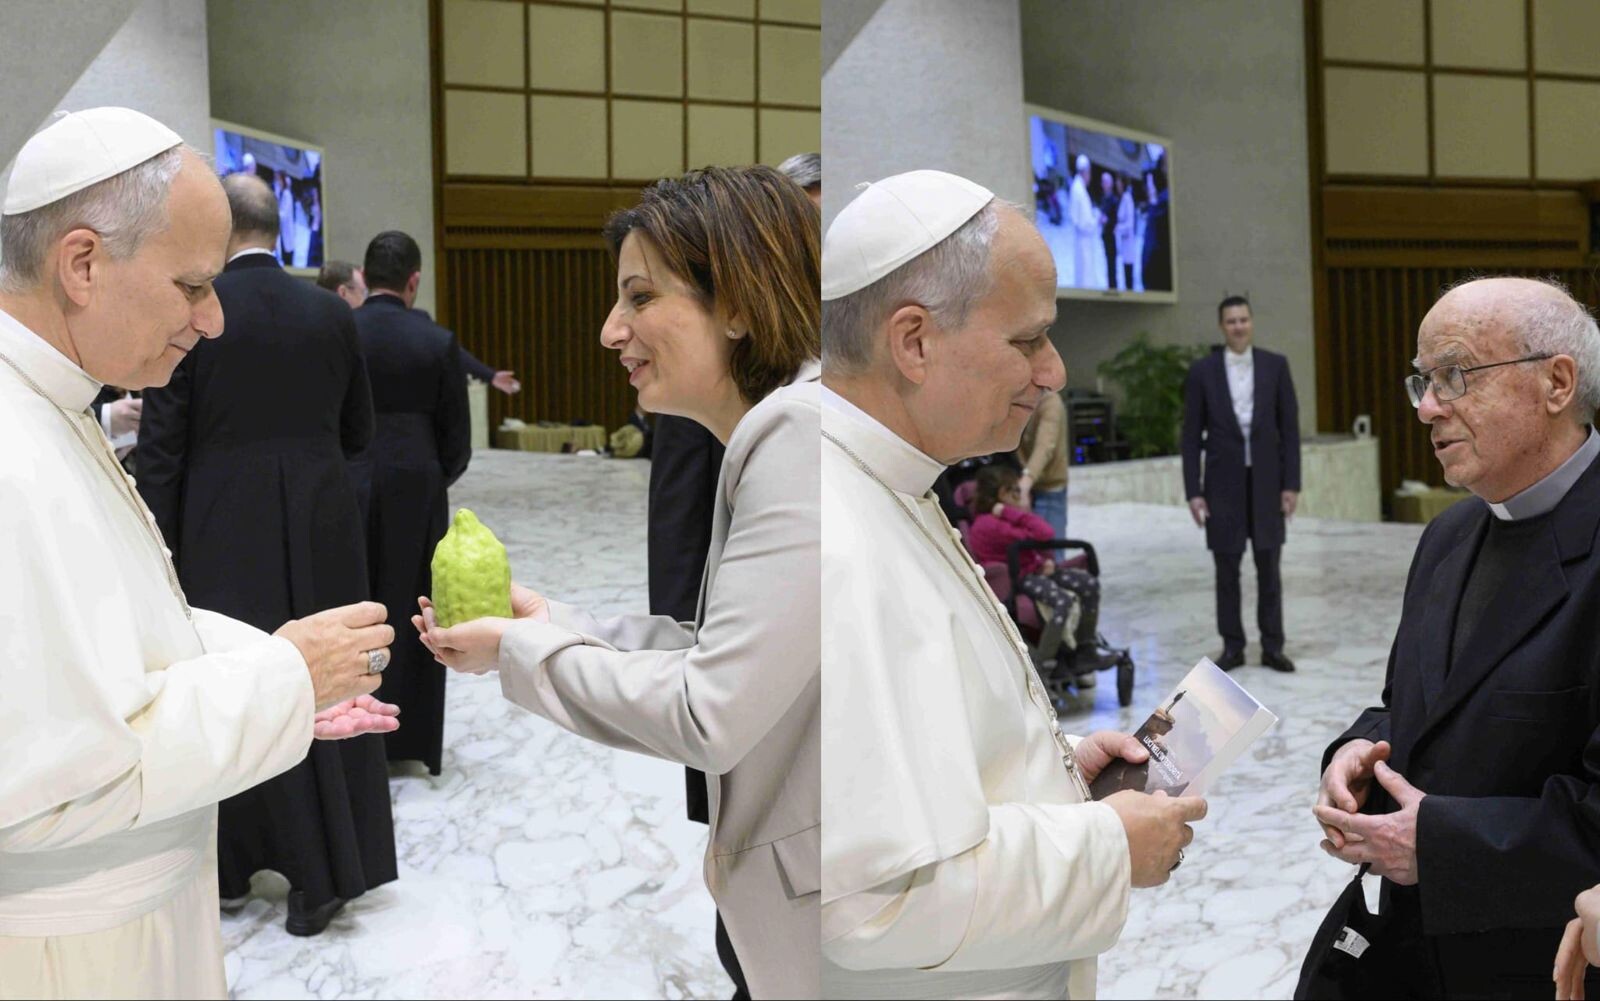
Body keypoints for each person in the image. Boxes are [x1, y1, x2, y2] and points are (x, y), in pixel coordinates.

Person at [0, 106, 397, 999]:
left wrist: (279, 663)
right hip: (73, 951)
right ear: (82, 264)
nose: (213, 320)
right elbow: (55, 777)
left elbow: (115, 635)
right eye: (191, 286)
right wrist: (285, 678)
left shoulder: (51, 400)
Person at [415, 165, 821, 999]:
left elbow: (711, 708)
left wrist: (522, 651)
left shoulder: (796, 440)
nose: (610, 330)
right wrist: (550, 620)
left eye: (639, 297)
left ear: (739, 304)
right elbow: (725, 647)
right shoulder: (771, 434)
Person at [819, 168, 1205, 999]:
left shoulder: (894, 483)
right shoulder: (839, 535)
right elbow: (873, 897)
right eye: (1028, 340)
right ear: (914, 341)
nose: (1056, 370)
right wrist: (1106, 843)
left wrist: (1053, 763)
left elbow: (913, 753)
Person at [1310, 276, 1600, 998]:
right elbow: (1421, 708)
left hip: (1543, 959)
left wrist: (1436, 846)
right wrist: (1359, 747)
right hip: (1413, 949)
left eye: (1455, 375)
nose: (1428, 406)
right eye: (1423, 380)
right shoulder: (1450, 531)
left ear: (1557, 382)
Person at [137, 173, 397, 937]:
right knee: (329, 686)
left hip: (221, 526)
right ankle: (325, 876)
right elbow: (360, 430)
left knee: (239, 683)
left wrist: (158, 548)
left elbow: (161, 450)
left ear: (220, 231)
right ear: (281, 226)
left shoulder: (191, 314)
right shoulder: (330, 312)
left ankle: (231, 863)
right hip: (323, 518)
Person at [351, 230, 471, 775]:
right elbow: (458, 441)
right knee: (417, 606)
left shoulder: (343, 331)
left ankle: (356, 738)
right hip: (419, 485)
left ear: (364, 276)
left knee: (356, 603)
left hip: (350, 482)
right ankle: (414, 739)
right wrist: (431, 478)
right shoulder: (438, 342)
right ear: (414, 281)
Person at [1181, 294, 1300, 672]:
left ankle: (1272, 646)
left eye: (1243, 319)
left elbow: (1290, 430)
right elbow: (1189, 436)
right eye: (1231, 321)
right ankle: (1232, 646)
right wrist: (1194, 492)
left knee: (1270, 569)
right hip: (1221, 485)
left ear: (1251, 322)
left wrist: (1291, 484)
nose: (1238, 326)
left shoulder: (1275, 366)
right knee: (1226, 571)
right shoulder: (1203, 371)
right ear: (1222, 326)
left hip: (1267, 482)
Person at [966, 464, 1103, 662]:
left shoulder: (1000, 519)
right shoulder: (988, 524)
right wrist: (1010, 512)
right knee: (1062, 602)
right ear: (1004, 493)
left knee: (1089, 584)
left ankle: (1085, 647)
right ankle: (1045, 661)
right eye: (1017, 490)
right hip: (1018, 579)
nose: (1021, 495)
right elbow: (1043, 534)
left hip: (1034, 571)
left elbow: (1040, 537)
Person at [1068, 154, 1103, 290]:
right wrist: (1097, 219)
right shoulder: (1080, 192)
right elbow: (1084, 224)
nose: (1090, 176)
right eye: (1089, 173)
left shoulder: (1077, 188)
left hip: (1082, 242)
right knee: (1086, 279)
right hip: (1084, 243)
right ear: (1085, 172)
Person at [1098, 171, 1119, 291]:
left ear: (1110, 184)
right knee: (1108, 264)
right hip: (1105, 236)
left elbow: (1116, 219)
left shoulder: (1113, 200)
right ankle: (1110, 287)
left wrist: (1107, 220)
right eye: (1102, 181)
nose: (1103, 183)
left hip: (1111, 236)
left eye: (1106, 181)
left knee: (1112, 266)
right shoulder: (1104, 198)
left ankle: (1113, 290)